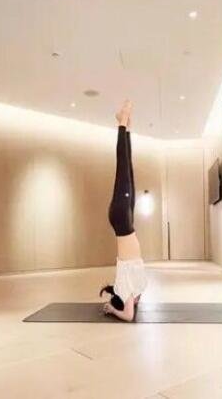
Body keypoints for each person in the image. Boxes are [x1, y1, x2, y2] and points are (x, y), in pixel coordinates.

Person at [100, 100, 147, 322]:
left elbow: (128, 316)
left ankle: (123, 122)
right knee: (129, 170)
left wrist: (112, 309)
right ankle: (126, 127)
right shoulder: (135, 288)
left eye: (133, 302)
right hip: (126, 222)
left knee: (122, 167)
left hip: (121, 219)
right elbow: (134, 304)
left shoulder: (125, 287)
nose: (135, 303)